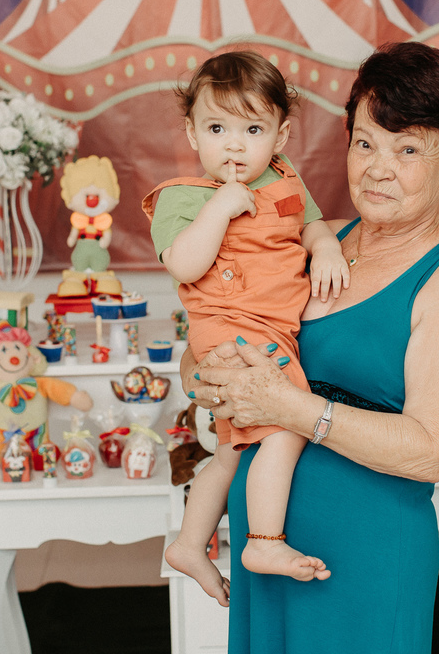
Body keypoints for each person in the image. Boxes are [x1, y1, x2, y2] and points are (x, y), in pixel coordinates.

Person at [185, 42, 439, 653]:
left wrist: (288, 407)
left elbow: (430, 452)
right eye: (365, 142)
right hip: (268, 549)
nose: (378, 169)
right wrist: (206, 371)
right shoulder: (320, 239)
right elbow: (217, 332)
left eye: (408, 150)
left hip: (363, 554)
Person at [142, 51, 350, 604]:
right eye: (217, 128)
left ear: (280, 137)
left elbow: (311, 225)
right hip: (231, 331)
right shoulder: (181, 198)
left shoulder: (286, 181)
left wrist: (326, 245)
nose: (234, 145)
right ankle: (262, 540)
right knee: (287, 422)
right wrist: (221, 208)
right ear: (191, 132)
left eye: (252, 129)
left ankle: (190, 543)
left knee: (233, 449)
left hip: (272, 332)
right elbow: (184, 265)